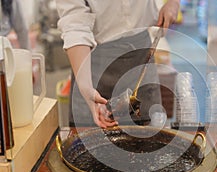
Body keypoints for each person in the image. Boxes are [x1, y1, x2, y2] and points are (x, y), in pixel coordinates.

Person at [55, 0, 180, 128]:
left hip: (141, 54)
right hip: (92, 62)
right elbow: (75, 24)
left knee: (151, 137)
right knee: (88, 141)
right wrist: (86, 87)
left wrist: (173, 3)